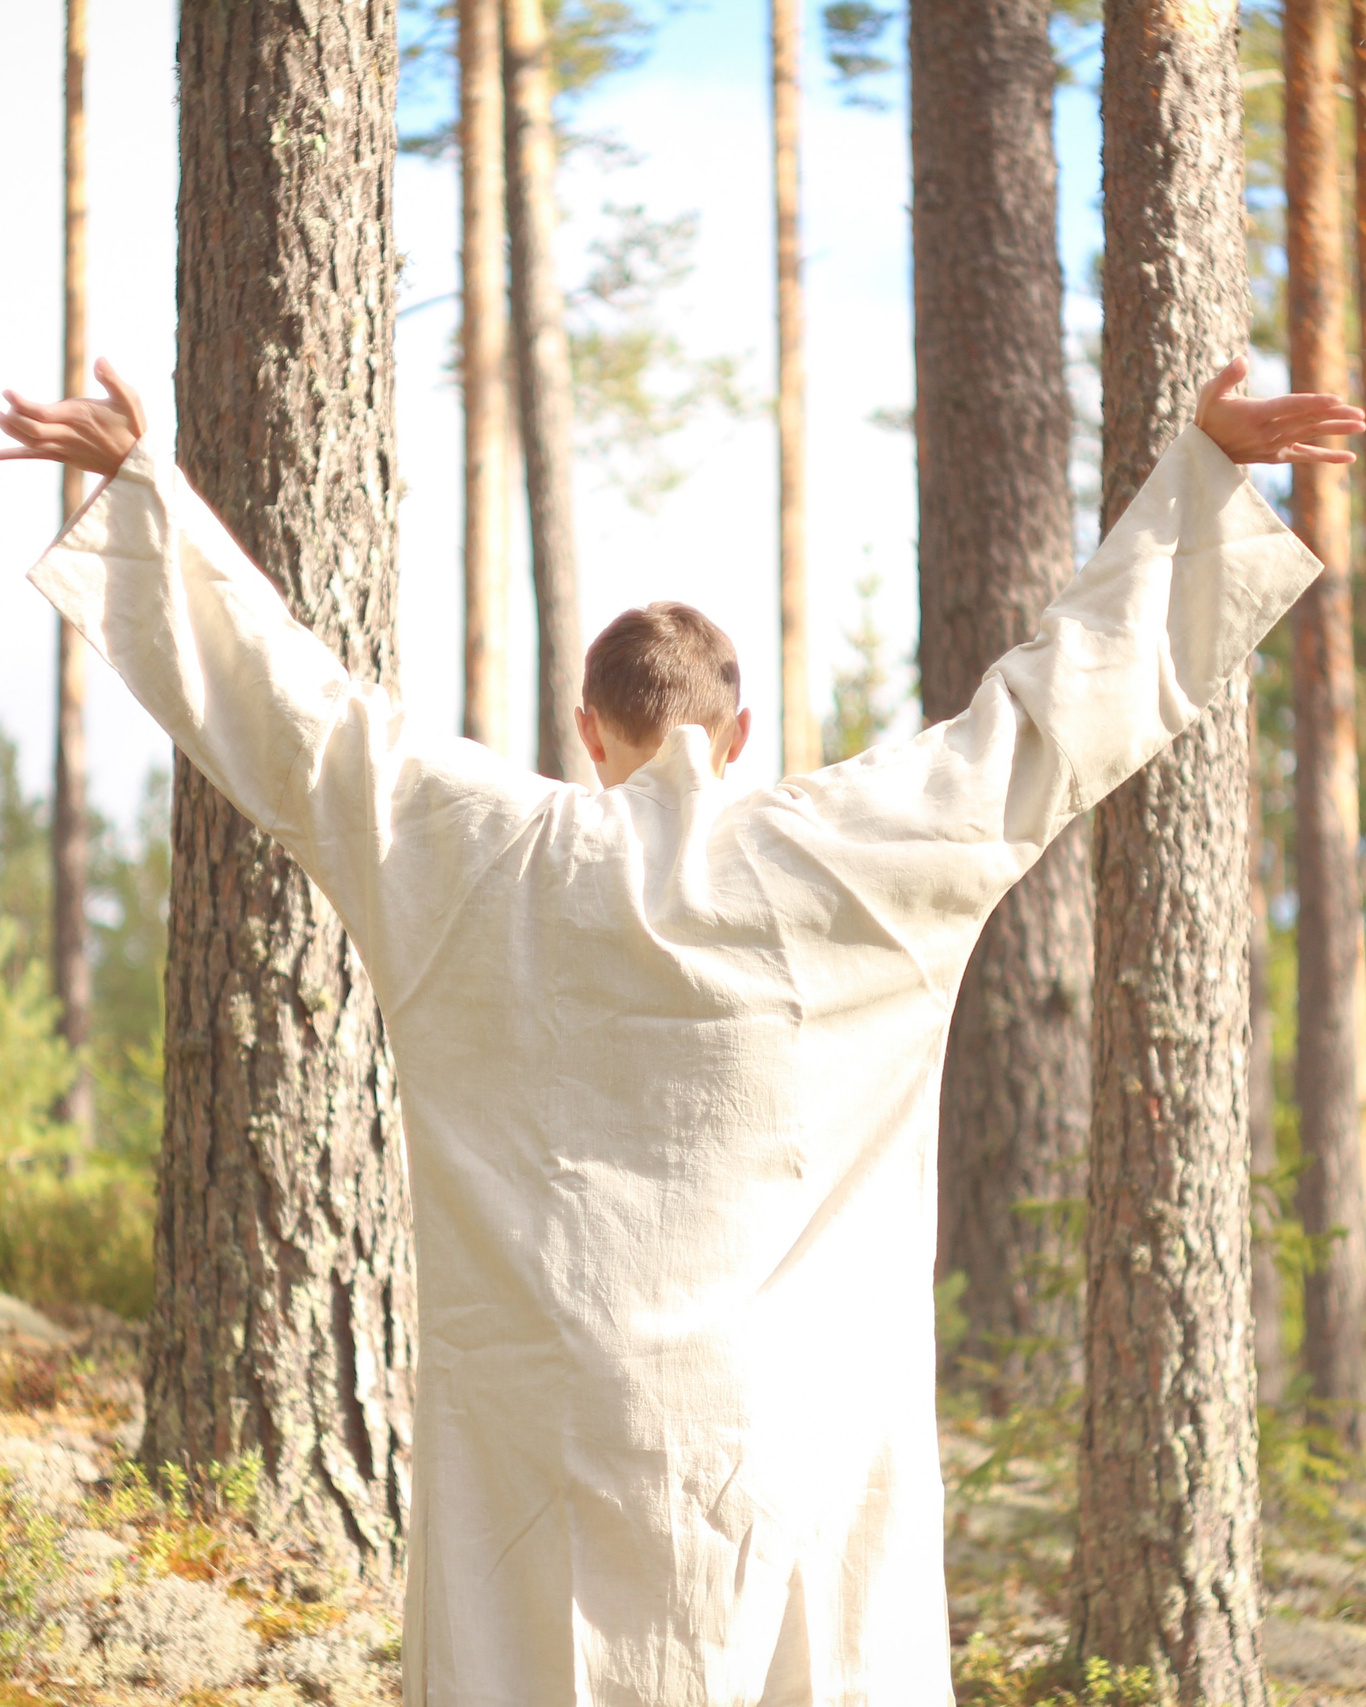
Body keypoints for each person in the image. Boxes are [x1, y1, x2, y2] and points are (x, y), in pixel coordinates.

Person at [3, 357, 1359, 1706]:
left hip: (545, 1434)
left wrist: (146, 493)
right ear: (738, 729)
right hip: (788, 1435)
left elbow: (296, 717)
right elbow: (1047, 717)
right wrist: (1200, 479)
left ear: (589, 731)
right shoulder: (852, 855)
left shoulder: (480, 852)